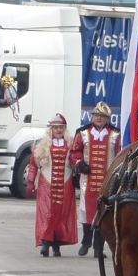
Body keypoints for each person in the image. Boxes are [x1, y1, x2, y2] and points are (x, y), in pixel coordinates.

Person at [69, 101, 121, 257]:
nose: (98, 118)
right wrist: (80, 164)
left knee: (104, 213)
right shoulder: (82, 133)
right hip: (88, 181)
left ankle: (99, 248)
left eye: (102, 116)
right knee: (86, 211)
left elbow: (119, 155)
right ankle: (86, 242)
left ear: (107, 118)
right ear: (92, 116)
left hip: (107, 182)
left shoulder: (115, 134)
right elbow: (74, 153)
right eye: (96, 115)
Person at [27, 113, 78, 257]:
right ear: (51, 129)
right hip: (47, 184)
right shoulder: (43, 145)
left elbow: (75, 160)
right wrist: (30, 181)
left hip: (65, 184)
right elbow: (33, 163)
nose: (58, 130)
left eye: (61, 127)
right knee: (47, 214)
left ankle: (56, 245)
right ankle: (45, 244)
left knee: (62, 215)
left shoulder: (71, 144)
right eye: (56, 128)